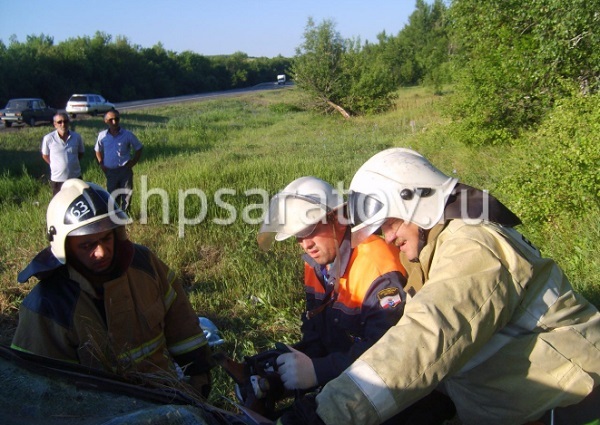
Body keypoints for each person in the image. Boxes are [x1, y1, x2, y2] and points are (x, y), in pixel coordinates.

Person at [278, 148, 600, 425]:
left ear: (416, 201)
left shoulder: (474, 247)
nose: (387, 238)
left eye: (389, 223)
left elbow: (429, 335)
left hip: (574, 402)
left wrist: (326, 414)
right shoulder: (431, 253)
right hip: (517, 404)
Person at [257, 176, 455, 423]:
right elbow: (316, 332)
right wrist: (288, 368)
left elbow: (389, 355)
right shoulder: (317, 264)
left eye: (310, 230)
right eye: (297, 236)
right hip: (348, 375)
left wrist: (319, 371)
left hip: (397, 390)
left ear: (338, 220)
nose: (305, 244)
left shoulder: (377, 265)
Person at [11, 179, 213, 397]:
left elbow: (181, 322)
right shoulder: (47, 306)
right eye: (86, 245)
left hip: (165, 396)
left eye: (106, 238)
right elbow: (40, 392)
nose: (101, 252)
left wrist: (199, 373)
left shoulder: (145, 265)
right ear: (64, 246)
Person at [95, 110, 143, 212]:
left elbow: (138, 147)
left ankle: (126, 216)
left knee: (126, 195)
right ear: (106, 121)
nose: (114, 122)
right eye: (111, 120)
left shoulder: (127, 134)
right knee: (112, 196)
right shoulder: (102, 136)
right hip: (110, 171)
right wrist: (101, 163)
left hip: (124, 170)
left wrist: (134, 161)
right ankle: (114, 217)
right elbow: (97, 150)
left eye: (116, 119)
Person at [41, 113, 85, 195]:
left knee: (78, 200)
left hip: (75, 177)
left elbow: (81, 153)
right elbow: (45, 155)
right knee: (59, 204)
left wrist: (71, 163)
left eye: (65, 121)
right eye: (59, 122)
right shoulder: (48, 139)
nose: (63, 124)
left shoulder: (76, 137)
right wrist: (55, 164)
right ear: (55, 124)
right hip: (58, 179)